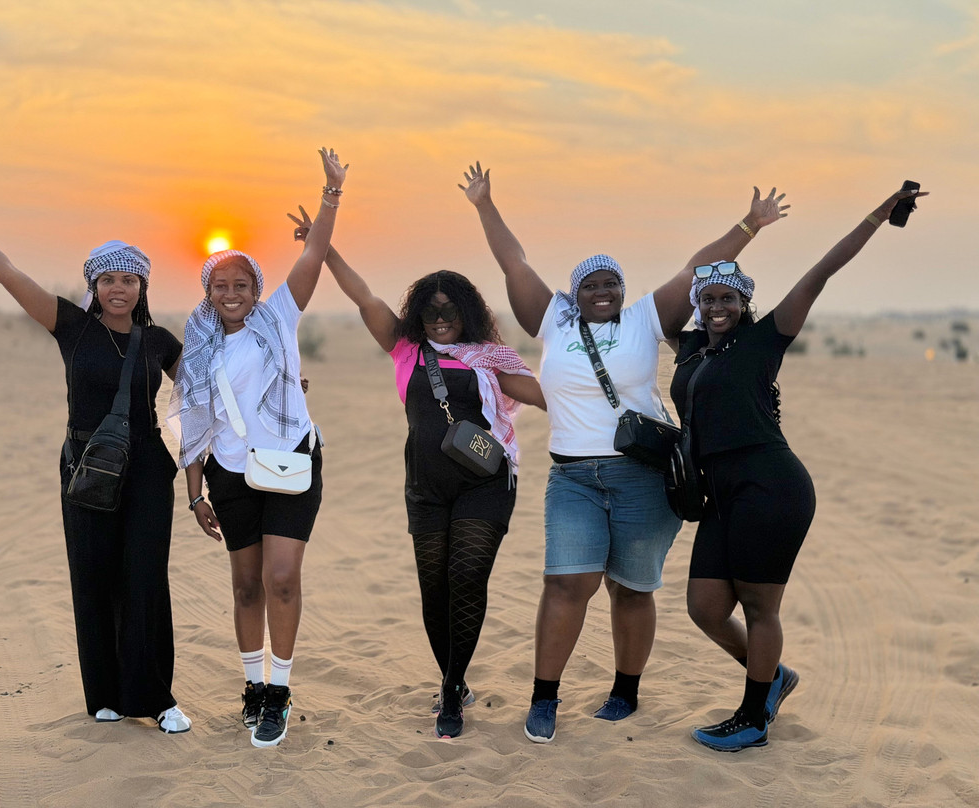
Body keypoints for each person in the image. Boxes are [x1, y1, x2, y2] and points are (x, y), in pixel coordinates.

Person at [461, 162, 788, 743]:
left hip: (643, 476)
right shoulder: (554, 321)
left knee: (632, 590)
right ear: (574, 293)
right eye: (591, 285)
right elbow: (514, 262)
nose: (603, 291)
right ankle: (544, 698)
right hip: (573, 479)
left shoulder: (644, 319)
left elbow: (695, 268)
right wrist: (485, 204)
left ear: (623, 289)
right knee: (566, 583)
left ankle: (625, 691)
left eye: (612, 282)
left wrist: (750, 225)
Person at [0, 165, 191, 733]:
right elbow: (4, 269)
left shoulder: (159, 341)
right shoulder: (71, 326)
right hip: (85, 465)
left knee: (145, 579)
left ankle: (157, 699)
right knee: (93, 575)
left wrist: (281, 386)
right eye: (107, 280)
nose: (118, 289)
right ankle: (104, 694)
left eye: (129, 280)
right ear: (94, 286)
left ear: (143, 287)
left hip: (148, 470)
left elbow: (209, 389)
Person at [670, 185, 927, 752]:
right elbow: (688, 270)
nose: (716, 307)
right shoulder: (688, 348)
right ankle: (773, 678)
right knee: (705, 608)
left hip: (771, 486)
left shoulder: (764, 340)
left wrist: (877, 215)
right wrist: (745, 225)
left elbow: (821, 272)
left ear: (744, 304)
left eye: (728, 299)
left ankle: (753, 717)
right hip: (719, 494)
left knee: (760, 606)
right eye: (708, 299)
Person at [287, 205, 545, 739]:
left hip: (485, 483)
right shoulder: (406, 349)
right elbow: (364, 297)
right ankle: (454, 677)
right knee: (435, 588)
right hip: (425, 486)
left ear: (467, 312)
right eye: (430, 309)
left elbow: (551, 397)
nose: (440, 317)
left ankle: (451, 689)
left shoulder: (489, 357)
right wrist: (324, 247)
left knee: (466, 576)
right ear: (417, 314)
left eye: (450, 309)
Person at [168, 148, 345, 749]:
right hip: (229, 474)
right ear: (208, 291)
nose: (232, 293)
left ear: (256, 288)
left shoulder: (279, 317)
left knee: (282, 578)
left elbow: (313, 256)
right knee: (246, 585)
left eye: (241, 284)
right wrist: (196, 496)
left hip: (292, 461)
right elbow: (195, 427)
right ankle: (252, 684)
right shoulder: (198, 347)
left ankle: (279, 692)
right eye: (221, 285)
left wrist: (331, 193)